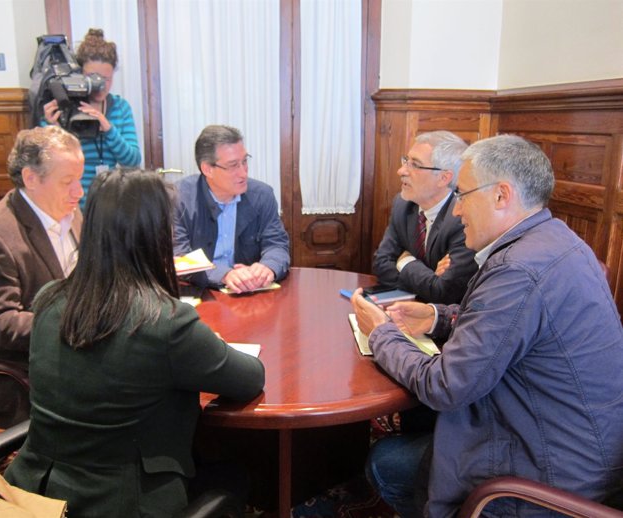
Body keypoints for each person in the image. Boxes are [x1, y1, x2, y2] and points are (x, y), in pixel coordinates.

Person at [352, 134, 623, 517]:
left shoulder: (517, 270)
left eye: (462, 195)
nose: (458, 211)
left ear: (501, 196)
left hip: (547, 475)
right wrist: (437, 316)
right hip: (578, 447)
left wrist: (381, 333)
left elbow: (444, 386)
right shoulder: (556, 238)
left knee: (386, 463)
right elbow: (513, 326)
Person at [4, 169, 265, 518]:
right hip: (122, 503)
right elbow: (250, 378)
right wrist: (210, 345)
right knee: (236, 475)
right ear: (154, 235)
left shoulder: (49, 300)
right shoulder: (165, 321)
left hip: (34, 491)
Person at [0, 125, 84, 429]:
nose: (78, 192)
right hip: (20, 376)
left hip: (69, 357)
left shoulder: (71, 212)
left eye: (79, 179)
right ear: (31, 178)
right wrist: (76, 321)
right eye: (67, 181)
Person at [173, 124, 290, 294]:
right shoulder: (179, 198)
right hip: (201, 294)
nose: (243, 173)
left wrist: (268, 267)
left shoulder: (262, 195)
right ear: (207, 169)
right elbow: (180, 258)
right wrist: (225, 274)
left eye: (244, 161)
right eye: (233, 165)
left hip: (250, 296)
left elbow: (277, 244)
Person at [372, 131, 477, 305]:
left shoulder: (462, 218)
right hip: (411, 308)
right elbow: (381, 264)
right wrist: (429, 279)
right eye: (406, 161)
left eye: (415, 165)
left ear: (444, 178)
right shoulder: (403, 204)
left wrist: (405, 261)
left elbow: (445, 292)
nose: (401, 171)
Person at [42, 28, 141, 199]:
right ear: (80, 74)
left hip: (109, 202)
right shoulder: (62, 108)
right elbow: (46, 165)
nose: (100, 85)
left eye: (106, 79)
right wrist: (55, 130)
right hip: (70, 200)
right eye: (92, 77)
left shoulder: (120, 108)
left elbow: (132, 161)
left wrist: (108, 128)